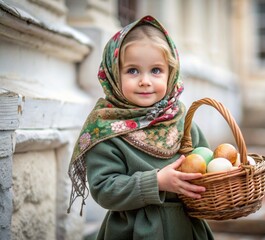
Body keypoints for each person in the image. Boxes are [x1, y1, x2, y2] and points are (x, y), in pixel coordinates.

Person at [67, 15, 214, 240]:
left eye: (156, 70)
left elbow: (207, 165)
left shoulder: (181, 119)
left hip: (186, 227)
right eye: (133, 71)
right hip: (132, 230)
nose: (145, 81)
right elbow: (104, 189)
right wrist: (156, 182)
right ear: (114, 75)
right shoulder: (107, 128)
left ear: (171, 74)